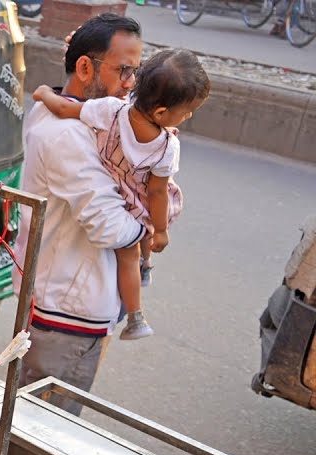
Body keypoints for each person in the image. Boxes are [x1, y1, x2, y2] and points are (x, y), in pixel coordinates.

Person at [15, 13, 147, 410]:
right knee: (46, 425)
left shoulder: (69, 111)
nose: (130, 85)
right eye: (123, 71)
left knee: (34, 413)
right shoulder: (68, 134)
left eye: (135, 73)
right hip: (67, 315)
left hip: (59, 296)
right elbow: (110, 227)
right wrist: (150, 228)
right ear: (85, 66)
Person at [32, 49, 209, 341]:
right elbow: (157, 191)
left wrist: (41, 93)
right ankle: (136, 312)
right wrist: (161, 231)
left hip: (118, 194)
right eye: (188, 111)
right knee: (136, 248)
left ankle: (139, 296)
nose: (188, 116)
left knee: (130, 254)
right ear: (162, 113)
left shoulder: (110, 109)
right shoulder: (166, 147)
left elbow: (64, 109)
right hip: (140, 206)